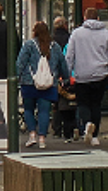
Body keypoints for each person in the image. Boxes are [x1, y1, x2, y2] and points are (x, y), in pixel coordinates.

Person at [67, 8, 108, 147]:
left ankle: (87, 123)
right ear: (98, 19)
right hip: (101, 75)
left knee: (83, 103)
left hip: (82, 75)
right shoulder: (106, 34)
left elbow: (70, 56)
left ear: (84, 18)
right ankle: (95, 136)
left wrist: (67, 74)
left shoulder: (76, 34)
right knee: (96, 104)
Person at [17, 21, 70, 149]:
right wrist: (65, 78)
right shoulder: (55, 46)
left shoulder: (29, 45)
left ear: (34, 32)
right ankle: (42, 138)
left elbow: (20, 63)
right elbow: (62, 63)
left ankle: (32, 134)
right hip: (48, 83)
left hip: (29, 82)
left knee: (29, 109)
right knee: (44, 111)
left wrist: (17, 77)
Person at [51, 18, 77, 142]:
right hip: (68, 73)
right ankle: (72, 128)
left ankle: (57, 129)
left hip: (54, 73)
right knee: (70, 100)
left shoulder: (51, 40)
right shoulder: (70, 38)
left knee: (56, 103)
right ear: (65, 25)